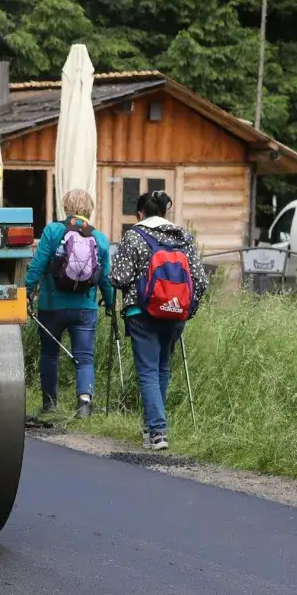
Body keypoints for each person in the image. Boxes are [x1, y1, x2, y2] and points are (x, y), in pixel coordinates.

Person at [109, 190, 209, 450]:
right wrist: (186, 309)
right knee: (162, 368)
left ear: (140, 214)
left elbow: (118, 277)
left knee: (148, 372)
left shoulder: (134, 235)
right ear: (165, 212)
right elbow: (200, 281)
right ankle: (152, 427)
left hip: (141, 313)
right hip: (175, 314)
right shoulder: (183, 237)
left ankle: (157, 431)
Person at [24, 189, 116, 418]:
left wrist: (25, 291)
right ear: (90, 210)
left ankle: (49, 405)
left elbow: (38, 265)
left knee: (49, 355)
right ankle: (84, 405)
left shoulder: (53, 231)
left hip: (51, 306)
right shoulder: (100, 238)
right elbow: (105, 279)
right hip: (85, 308)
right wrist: (111, 303)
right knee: (84, 358)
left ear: (65, 207)